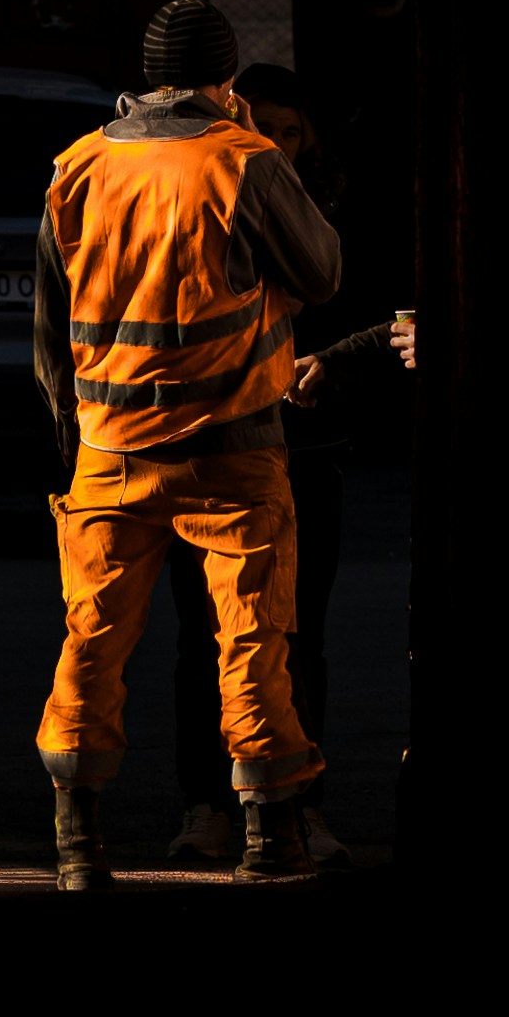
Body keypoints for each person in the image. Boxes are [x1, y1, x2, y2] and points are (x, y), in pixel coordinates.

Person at [31, 0, 343, 887]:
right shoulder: (245, 159)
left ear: (147, 77)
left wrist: (76, 435)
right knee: (252, 644)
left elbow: (51, 327)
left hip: (109, 451)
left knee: (92, 643)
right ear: (225, 78)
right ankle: (270, 840)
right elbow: (322, 272)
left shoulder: (78, 165)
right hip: (231, 449)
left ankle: (78, 844)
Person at [158, 63, 404, 872]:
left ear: (312, 143)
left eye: (290, 132)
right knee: (205, 635)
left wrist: (337, 359)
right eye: (259, 126)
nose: (274, 143)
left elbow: (382, 311)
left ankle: (299, 808)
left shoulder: (331, 213)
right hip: (209, 447)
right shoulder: (198, 195)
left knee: (295, 636)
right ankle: (207, 807)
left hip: (304, 450)